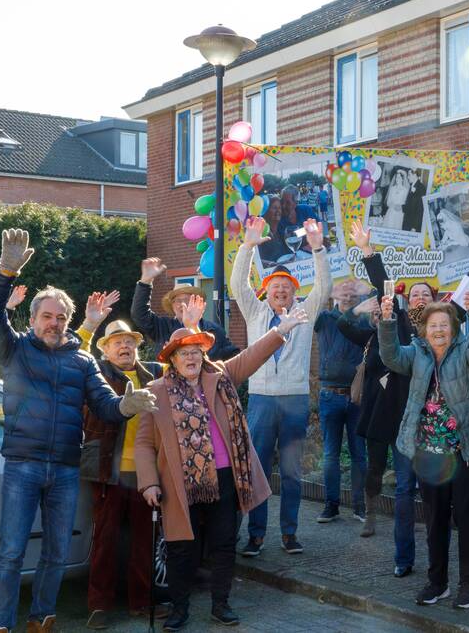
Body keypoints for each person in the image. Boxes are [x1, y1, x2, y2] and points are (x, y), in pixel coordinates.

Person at [0, 229, 158, 633]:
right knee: (11, 553)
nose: (54, 322)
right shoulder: (14, 350)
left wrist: (127, 406)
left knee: (57, 553)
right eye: (47, 316)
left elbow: (105, 405)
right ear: (32, 319)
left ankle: (41, 620)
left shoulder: (82, 361)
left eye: (61, 317)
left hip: (63, 469)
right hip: (23, 466)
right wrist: (5, 272)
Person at [136, 309, 307, 630]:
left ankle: (221, 604)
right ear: (172, 359)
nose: (191, 358)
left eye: (195, 352)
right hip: (179, 483)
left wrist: (281, 330)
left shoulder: (221, 376)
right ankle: (179, 609)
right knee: (181, 547)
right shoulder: (155, 391)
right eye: (184, 353)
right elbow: (144, 443)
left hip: (226, 477)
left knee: (223, 544)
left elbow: (252, 355)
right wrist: (149, 483)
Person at [378, 296, 469, 610]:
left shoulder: (464, 350)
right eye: (433, 325)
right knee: (435, 520)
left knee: (466, 517)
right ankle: (437, 583)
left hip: (466, 450)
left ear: (453, 328)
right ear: (424, 330)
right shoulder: (415, 353)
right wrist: (387, 321)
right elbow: (390, 356)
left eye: (444, 325)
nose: (439, 330)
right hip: (429, 453)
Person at [230, 216, 331, 556]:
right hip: (261, 400)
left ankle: (289, 533)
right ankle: (256, 535)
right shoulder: (255, 313)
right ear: (267, 291)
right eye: (275, 286)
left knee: (291, 472)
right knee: (256, 470)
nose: (281, 290)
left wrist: (317, 249)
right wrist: (247, 246)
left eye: (287, 286)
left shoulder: (305, 314)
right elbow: (237, 285)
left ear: (294, 292)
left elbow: (324, 287)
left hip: (294, 402)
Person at [72, 292, 165, 630]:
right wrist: (89, 323)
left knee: (144, 542)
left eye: (129, 341)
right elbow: (73, 351)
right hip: (107, 474)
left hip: (144, 476)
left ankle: (141, 601)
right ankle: (99, 606)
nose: (124, 347)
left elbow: (189, 361)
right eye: (117, 342)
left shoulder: (154, 375)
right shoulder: (94, 373)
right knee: (105, 542)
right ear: (106, 350)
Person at [314, 279, 368, 523]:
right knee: (330, 455)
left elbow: (377, 294)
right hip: (330, 394)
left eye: (352, 292)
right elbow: (314, 298)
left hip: (357, 396)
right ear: (334, 295)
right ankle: (331, 506)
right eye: (343, 291)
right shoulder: (324, 318)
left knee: (359, 455)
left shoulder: (364, 320)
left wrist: (365, 291)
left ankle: (359, 507)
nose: (348, 295)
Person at [131, 257, 239, 359]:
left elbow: (234, 357)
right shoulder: (162, 327)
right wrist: (145, 281)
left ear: (197, 303)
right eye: (178, 300)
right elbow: (139, 315)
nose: (182, 304)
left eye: (187, 300)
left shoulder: (214, 330)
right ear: (172, 306)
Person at [402, 168, 427, 233]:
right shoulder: (411, 186)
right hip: (407, 222)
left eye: (409, 175)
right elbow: (409, 205)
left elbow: (420, 209)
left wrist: (414, 227)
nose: (407, 177)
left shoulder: (421, 188)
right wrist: (401, 206)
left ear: (415, 175)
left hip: (412, 225)